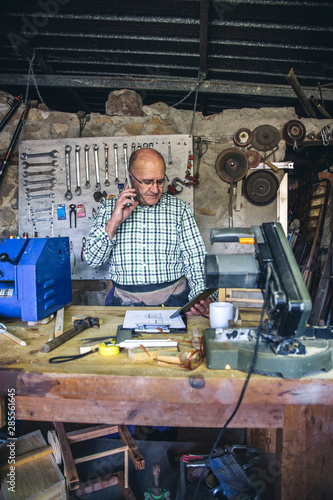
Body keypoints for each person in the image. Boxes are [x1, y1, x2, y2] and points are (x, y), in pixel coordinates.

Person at [83, 147, 213, 316]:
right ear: (131, 178)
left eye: (160, 181)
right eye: (147, 182)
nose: (155, 189)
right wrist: (113, 222)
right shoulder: (109, 209)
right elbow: (93, 260)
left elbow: (196, 260)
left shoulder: (178, 209)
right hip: (124, 305)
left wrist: (200, 299)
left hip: (174, 302)